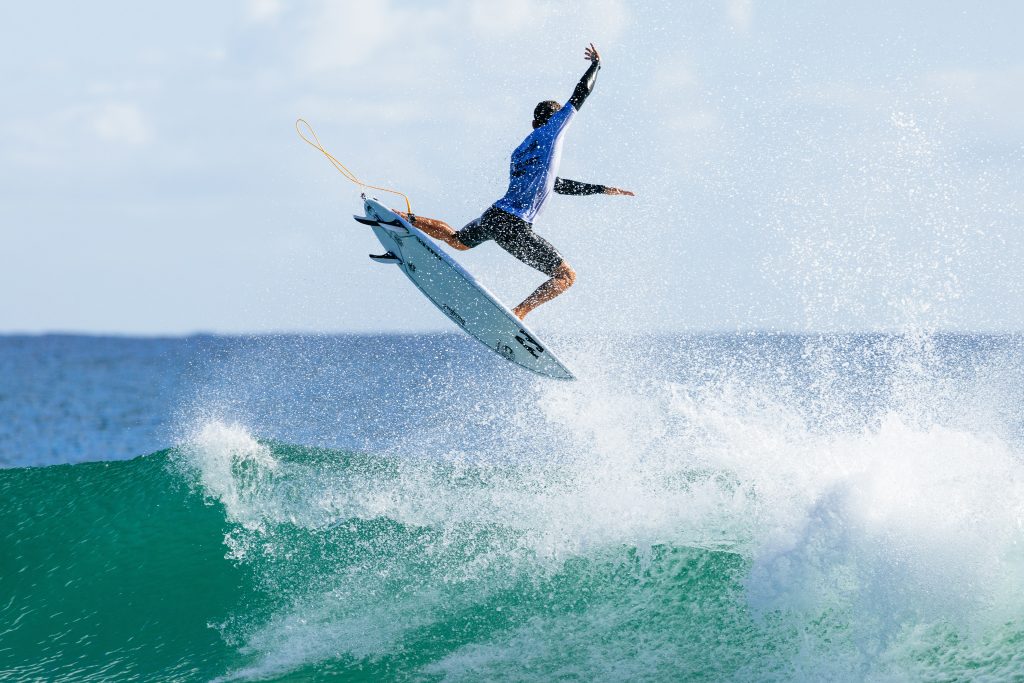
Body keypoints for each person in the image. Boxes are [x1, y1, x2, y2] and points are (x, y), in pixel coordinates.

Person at [396, 43, 634, 320]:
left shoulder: (520, 150)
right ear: (554, 119)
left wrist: (601, 189)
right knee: (567, 276)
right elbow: (580, 94)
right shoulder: (553, 132)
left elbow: (555, 185)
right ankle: (519, 313)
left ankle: (404, 218)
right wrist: (596, 66)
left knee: (458, 240)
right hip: (515, 225)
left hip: (494, 216)